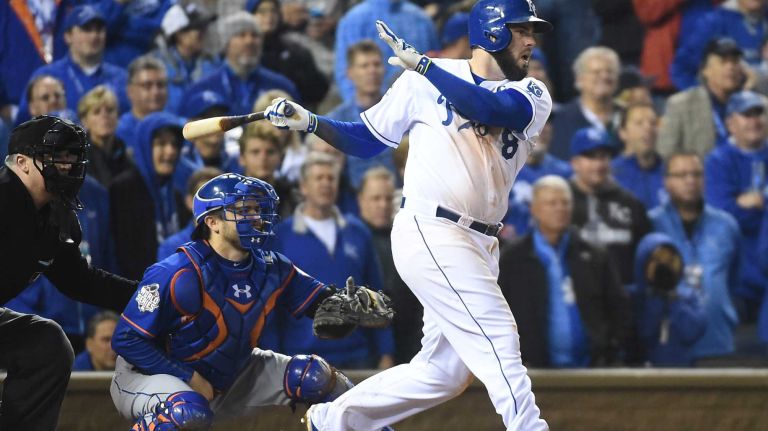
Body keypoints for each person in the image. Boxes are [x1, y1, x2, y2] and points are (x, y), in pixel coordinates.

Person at [265, 0, 553, 428]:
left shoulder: (532, 92)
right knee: (498, 339)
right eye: (521, 29)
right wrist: (311, 122)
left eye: (533, 31)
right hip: (431, 228)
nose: (531, 41)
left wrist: (424, 65)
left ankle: (333, 420)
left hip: (481, 242)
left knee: (443, 374)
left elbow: (490, 109)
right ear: (493, 30)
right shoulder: (420, 82)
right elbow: (368, 138)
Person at [109, 173, 394, 430]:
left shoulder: (272, 266)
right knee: (188, 412)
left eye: (257, 209)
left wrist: (353, 305)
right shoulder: (175, 271)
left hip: (229, 370)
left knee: (313, 375)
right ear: (212, 222)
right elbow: (126, 340)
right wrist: (188, 376)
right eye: (243, 210)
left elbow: (322, 305)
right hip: (150, 374)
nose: (256, 216)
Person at [0, 115, 137, 429]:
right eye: (55, 158)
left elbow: (81, 283)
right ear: (20, 162)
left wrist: (151, 296)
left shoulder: (55, 218)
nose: (66, 166)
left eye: (71, 158)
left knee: (46, 344)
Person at [261, 153, 394, 369]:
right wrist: (271, 358)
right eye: (319, 178)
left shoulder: (358, 232)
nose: (326, 183)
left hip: (358, 356)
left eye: (331, 178)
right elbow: (270, 304)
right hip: (301, 358)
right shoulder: (280, 237)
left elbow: (375, 295)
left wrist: (386, 351)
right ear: (303, 187)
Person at [498, 175, 629, 368]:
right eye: (552, 203)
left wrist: (610, 350)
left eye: (565, 203)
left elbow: (618, 307)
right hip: (532, 371)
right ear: (534, 209)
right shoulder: (512, 258)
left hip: (592, 369)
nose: (560, 208)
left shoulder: (595, 255)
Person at [650, 152, 740, 362]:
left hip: (717, 342)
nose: (690, 181)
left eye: (696, 174)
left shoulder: (727, 225)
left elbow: (734, 278)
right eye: (681, 175)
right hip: (668, 345)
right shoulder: (650, 224)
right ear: (666, 181)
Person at [704, 90, 768, 326]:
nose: (754, 121)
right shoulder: (718, 160)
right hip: (738, 272)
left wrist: (755, 201)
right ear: (730, 123)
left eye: (758, 114)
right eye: (746, 115)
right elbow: (722, 215)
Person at [15, 5, 129, 126]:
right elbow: (22, 126)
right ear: (68, 36)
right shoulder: (46, 77)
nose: (94, 35)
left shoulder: (121, 78)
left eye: (99, 30)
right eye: (86, 29)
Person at [568, 127, 652, 285]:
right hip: (576, 298)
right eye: (591, 157)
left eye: (603, 157)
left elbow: (644, 256)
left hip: (623, 297)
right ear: (575, 163)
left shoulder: (631, 204)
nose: (598, 164)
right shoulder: (562, 202)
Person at [110, 112, 188, 280]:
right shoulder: (123, 189)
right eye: (161, 143)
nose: (170, 151)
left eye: (175, 144)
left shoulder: (176, 195)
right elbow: (121, 254)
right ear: (145, 146)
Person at [357, 167, 423, 364]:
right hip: (366, 349)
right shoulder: (352, 239)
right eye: (376, 198)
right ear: (361, 200)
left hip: (409, 345)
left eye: (387, 198)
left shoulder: (408, 239)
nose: (383, 205)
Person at [181, 12, 299, 117]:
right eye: (241, 35)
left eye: (255, 35)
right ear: (227, 43)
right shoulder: (201, 89)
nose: (249, 41)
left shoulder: (281, 87)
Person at [658, 38, 746, 159]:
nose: (730, 67)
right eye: (723, 61)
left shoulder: (756, 105)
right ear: (705, 70)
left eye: (735, 61)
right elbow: (666, 153)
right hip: (698, 175)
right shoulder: (681, 105)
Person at [629, 233, 707, 367]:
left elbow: (691, 333)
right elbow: (643, 334)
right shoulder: (633, 297)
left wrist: (673, 299)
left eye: (670, 261)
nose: (664, 266)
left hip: (682, 372)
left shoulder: (689, 296)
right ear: (643, 263)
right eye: (657, 261)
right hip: (642, 374)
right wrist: (656, 299)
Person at [327, 40, 395, 190]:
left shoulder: (399, 112)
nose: (372, 71)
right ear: (350, 73)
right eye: (364, 66)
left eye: (376, 64)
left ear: (384, 69)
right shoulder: (336, 120)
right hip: (350, 202)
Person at [550, 46, 622, 160]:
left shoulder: (628, 116)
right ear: (579, 79)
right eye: (596, 72)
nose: (604, 76)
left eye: (610, 71)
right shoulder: (562, 120)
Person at [153, 2, 219, 114]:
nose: (204, 32)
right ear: (179, 34)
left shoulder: (211, 63)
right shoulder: (156, 65)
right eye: (197, 28)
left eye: (204, 27)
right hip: (170, 128)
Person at [157, 167, 223, 260]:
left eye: (216, 196)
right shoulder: (171, 247)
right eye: (203, 197)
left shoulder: (236, 242)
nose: (210, 203)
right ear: (189, 201)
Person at [611, 103, 666, 209]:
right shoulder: (610, 175)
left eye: (653, 123)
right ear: (623, 133)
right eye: (639, 123)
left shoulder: (671, 172)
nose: (648, 128)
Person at [77, 85, 133, 187]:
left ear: (118, 116)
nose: (104, 116)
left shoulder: (126, 157)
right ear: (84, 121)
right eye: (96, 112)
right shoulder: (78, 159)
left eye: (110, 110)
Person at [116, 56, 169, 151]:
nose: (155, 92)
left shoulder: (180, 128)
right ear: (130, 91)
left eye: (160, 85)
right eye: (147, 86)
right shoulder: (117, 133)